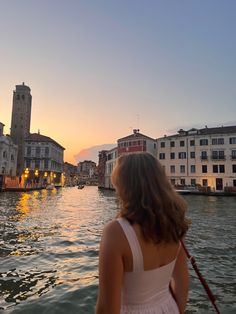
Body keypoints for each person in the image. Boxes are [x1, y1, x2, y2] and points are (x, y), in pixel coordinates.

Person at [96, 152, 190, 314]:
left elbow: (107, 308)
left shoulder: (115, 232)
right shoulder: (173, 224)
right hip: (168, 307)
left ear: (125, 186)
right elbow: (182, 284)